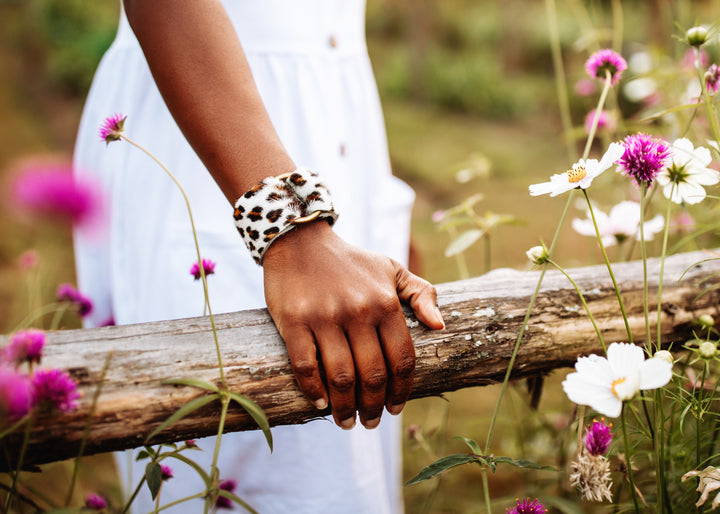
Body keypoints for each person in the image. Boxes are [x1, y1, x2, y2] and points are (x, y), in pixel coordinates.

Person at [73, 1, 445, 512]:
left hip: (334, 129)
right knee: (248, 474)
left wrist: (370, 207)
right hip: (215, 131)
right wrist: (290, 228)